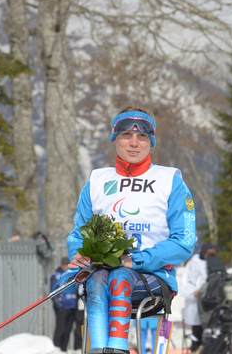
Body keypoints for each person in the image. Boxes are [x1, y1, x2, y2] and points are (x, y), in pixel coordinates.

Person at [65, 105, 197, 354]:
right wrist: (79, 251)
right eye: (126, 135)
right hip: (101, 273)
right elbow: (77, 232)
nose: (134, 143)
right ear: (115, 139)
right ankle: (99, 350)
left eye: (142, 136)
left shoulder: (171, 182)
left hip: (154, 276)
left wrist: (133, 260)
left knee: (119, 277)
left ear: (151, 141)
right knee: (99, 278)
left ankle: (118, 349)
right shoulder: (96, 182)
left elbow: (184, 242)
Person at [182, 242, 216, 352]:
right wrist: (193, 291)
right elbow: (186, 281)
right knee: (197, 326)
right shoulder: (194, 263)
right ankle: (196, 347)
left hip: (209, 299)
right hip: (196, 299)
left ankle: (210, 346)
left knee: (210, 323)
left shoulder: (214, 264)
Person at [51, 257, 82, 352]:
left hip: (72, 307)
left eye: (67, 264)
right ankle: (56, 349)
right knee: (61, 329)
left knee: (68, 330)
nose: (65, 266)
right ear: (61, 264)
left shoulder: (73, 276)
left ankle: (63, 350)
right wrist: (59, 306)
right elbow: (53, 292)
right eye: (63, 264)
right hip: (62, 307)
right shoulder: (56, 276)